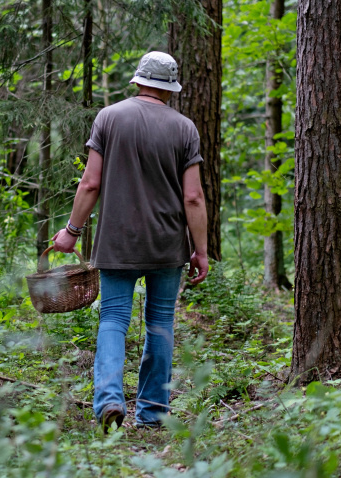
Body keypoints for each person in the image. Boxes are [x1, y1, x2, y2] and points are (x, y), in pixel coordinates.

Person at [51, 51, 209, 432]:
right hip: (166, 244)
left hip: (117, 243)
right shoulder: (185, 129)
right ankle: (152, 412)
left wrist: (71, 232)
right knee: (160, 323)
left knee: (113, 319)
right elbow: (193, 197)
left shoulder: (109, 118)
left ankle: (109, 399)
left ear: (138, 80)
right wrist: (200, 250)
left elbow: (90, 183)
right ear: (170, 88)